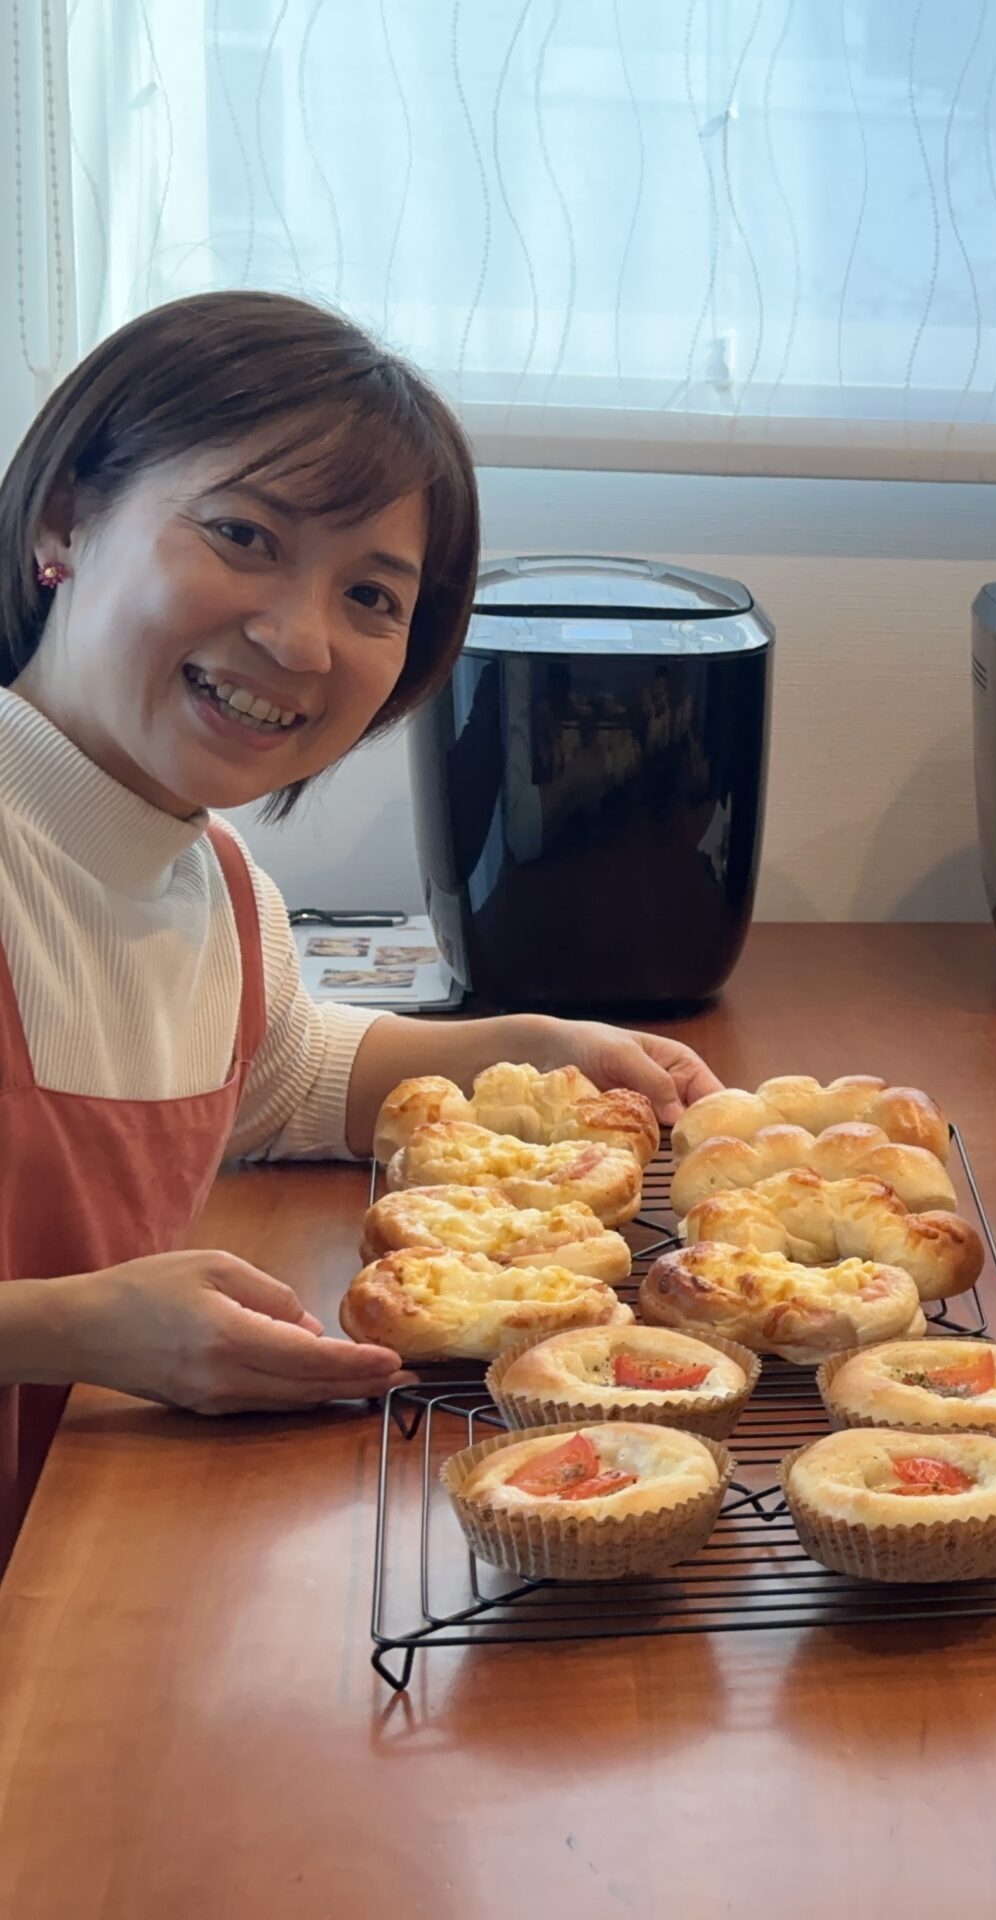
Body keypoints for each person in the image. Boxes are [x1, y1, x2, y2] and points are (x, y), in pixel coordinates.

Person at [0, 292, 720, 1562]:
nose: (298, 638)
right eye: (242, 534)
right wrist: (63, 1326)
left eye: (373, 599)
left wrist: (541, 1044)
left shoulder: (216, 885)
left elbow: (285, 1080)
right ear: (65, 516)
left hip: (79, 1559)